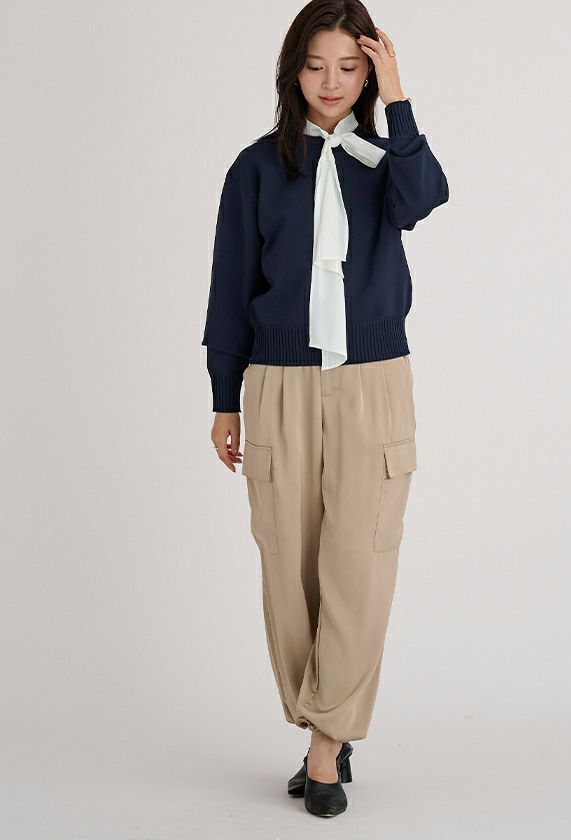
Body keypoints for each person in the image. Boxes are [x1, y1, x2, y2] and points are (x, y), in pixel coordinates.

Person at [201, 0, 448, 818]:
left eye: (349, 67)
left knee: (360, 564)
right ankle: (323, 724)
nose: (331, 82)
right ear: (292, 72)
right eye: (316, 66)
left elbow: (426, 197)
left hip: (374, 380)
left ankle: (325, 744)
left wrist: (399, 97)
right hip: (276, 383)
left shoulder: (388, 161)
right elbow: (230, 286)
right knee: (289, 566)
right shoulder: (255, 168)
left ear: (369, 74)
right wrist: (224, 397)